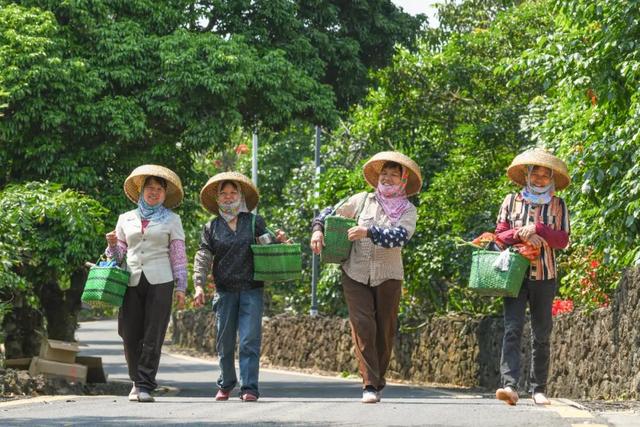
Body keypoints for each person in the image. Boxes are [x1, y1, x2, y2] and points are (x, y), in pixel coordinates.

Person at [310, 151, 421, 404]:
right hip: (355, 272)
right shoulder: (362, 200)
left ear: (403, 181)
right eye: (385, 174)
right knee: (363, 326)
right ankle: (369, 384)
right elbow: (328, 212)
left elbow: (399, 237)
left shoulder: (409, 210)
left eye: (394, 175)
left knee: (385, 329)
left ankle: (378, 379)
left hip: (389, 276)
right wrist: (317, 230)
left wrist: (367, 231)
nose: (388, 178)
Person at [192, 172, 288, 402]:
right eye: (223, 193)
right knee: (224, 342)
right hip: (224, 292)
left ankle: (249, 388)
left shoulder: (253, 221)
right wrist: (198, 284)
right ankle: (226, 383)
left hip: (251, 289)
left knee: (248, 340)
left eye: (233, 192)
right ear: (217, 198)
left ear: (241, 195)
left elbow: (268, 243)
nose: (228, 197)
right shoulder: (211, 227)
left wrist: (279, 240)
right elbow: (203, 256)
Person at [493, 148, 571, 406]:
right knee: (512, 329)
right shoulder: (510, 201)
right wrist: (523, 234)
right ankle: (509, 385)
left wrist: (538, 228)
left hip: (545, 275)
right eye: (534, 174)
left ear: (551, 178)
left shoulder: (558, 205)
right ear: (526, 175)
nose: (538, 179)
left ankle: (539, 388)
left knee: (541, 332)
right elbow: (500, 236)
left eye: (544, 175)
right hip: (514, 274)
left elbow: (562, 240)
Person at [105, 164, 187, 403]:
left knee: (154, 333)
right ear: (141, 191)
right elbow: (118, 255)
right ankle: (135, 379)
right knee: (129, 333)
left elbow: (178, 255)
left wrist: (181, 287)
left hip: (161, 280)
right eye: (149, 188)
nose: (154, 192)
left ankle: (145, 384)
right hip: (131, 280)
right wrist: (112, 244)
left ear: (164, 194)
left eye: (159, 189)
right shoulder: (125, 218)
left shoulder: (172, 220)